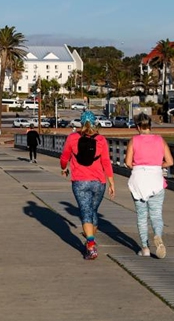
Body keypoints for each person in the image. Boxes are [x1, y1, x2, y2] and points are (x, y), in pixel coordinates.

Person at [59, 111, 115, 260]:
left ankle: (90, 244)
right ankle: (91, 240)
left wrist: (64, 168)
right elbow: (106, 162)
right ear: (95, 123)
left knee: (85, 211)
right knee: (93, 211)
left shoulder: (72, 138)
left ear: (81, 123)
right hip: (99, 182)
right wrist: (111, 182)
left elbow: (64, 157)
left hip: (80, 182)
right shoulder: (101, 140)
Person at [124, 113, 174, 259]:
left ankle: (145, 247)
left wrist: (138, 165)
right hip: (156, 180)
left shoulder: (133, 140)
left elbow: (128, 163)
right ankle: (158, 236)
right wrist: (158, 165)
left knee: (141, 216)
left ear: (138, 127)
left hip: (138, 180)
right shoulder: (160, 140)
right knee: (156, 215)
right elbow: (170, 162)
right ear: (150, 126)